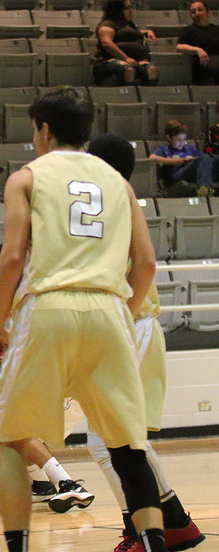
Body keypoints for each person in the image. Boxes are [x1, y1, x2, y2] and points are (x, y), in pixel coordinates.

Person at [0, 86, 166, 552]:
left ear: (43, 130)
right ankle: (154, 545)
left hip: (49, 308)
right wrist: (121, 315)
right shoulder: (118, 183)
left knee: (10, 435)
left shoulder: (26, 176)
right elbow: (145, 263)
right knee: (129, 447)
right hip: (108, 309)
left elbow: (11, 259)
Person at [87, 133, 205, 552]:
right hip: (134, 323)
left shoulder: (105, 201)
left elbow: (147, 264)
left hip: (128, 322)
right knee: (124, 439)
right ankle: (173, 521)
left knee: (109, 440)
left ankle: (143, 528)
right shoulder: (119, 198)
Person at [0, 244, 96, 514]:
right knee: (9, 429)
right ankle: (42, 485)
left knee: (17, 430)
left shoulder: (30, 298)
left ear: (5, 268)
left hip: (68, 388)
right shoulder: (24, 299)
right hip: (61, 383)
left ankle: (68, 485)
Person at [93, 0, 159, 86]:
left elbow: (130, 34)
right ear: (117, 10)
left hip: (135, 61)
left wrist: (147, 32)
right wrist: (125, 58)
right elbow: (106, 43)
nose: (131, 10)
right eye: (127, 8)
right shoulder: (108, 24)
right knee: (129, 70)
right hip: (109, 61)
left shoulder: (129, 25)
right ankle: (128, 96)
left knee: (152, 70)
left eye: (131, 7)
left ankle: (148, 97)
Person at [149, 119, 219, 197]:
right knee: (204, 158)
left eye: (184, 139)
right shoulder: (164, 149)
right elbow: (152, 158)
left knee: (212, 159)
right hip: (177, 176)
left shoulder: (189, 148)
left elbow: (205, 159)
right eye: (179, 140)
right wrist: (175, 162)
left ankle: (207, 187)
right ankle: (205, 188)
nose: (182, 143)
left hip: (194, 174)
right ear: (169, 137)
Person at [177, 0, 219, 85]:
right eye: (193, 12)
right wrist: (197, 50)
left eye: (200, 10)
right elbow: (179, 47)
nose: (197, 13)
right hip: (204, 65)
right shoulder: (189, 31)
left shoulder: (217, 29)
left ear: (207, 12)